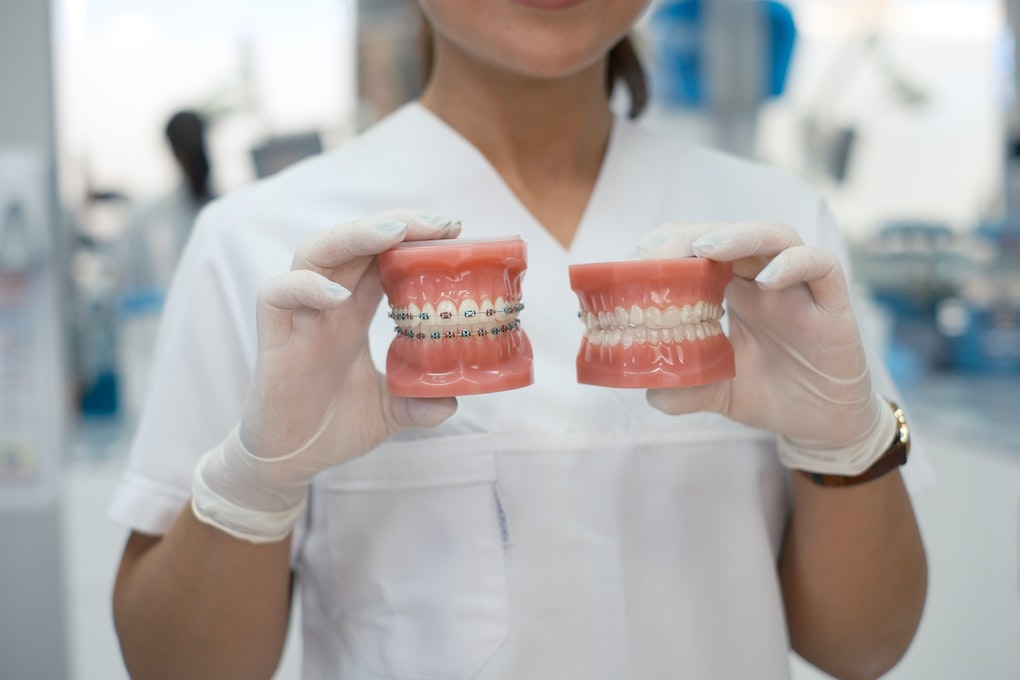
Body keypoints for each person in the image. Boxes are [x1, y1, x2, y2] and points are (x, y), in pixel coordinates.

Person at [109, 2, 930, 679]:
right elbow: (172, 666)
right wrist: (258, 485)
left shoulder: (779, 235)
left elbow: (863, 647)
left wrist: (846, 445)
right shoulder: (256, 245)